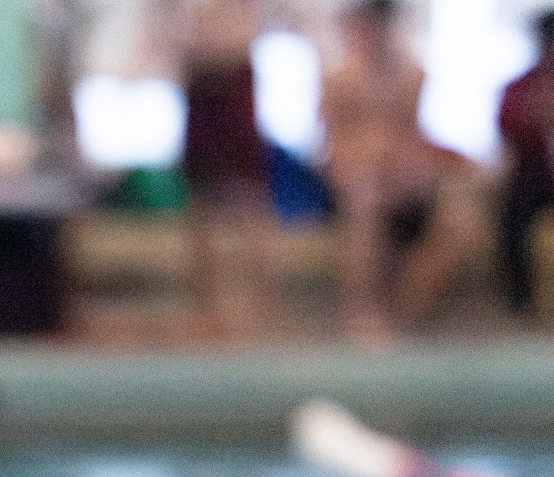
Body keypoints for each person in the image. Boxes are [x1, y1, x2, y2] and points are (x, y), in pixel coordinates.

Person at [319, 0, 482, 343]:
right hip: (359, 189)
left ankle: (404, 313)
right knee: (365, 198)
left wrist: (413, 171)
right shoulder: (339, 81)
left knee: (463, 223)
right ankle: (361, 312)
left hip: (406, 188)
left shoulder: (413, 75)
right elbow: (331, 150)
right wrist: (369, 168)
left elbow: (415, 138)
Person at [175, 0, 279, 339]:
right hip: (203, 93)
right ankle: (206, 309)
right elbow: (184, 42)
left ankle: (259, 306)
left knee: (248, 204)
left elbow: (237, 38)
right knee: (200, 209)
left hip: (231, 89)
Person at [498, 10, 554, 319]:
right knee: (513, 217)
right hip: (535, 178)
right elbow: (507, 129)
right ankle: (519, 302)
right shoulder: (521, 87)